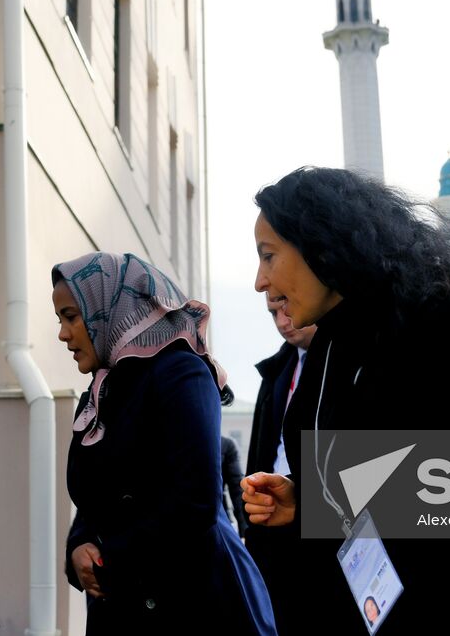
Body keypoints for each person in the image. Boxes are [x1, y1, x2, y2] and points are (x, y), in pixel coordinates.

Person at [239, 167, 450, 634]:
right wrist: (303, 500)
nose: (261, 282)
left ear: (320, 244)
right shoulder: (330, 349)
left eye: (269, 256)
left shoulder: (435, 341)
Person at [54, 252, 275, 635]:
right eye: (60, 319)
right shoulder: (99, 392)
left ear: (107, 307)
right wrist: (79, 547)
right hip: (122, 605)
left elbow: (194, 502)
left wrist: (110, 558)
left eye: (71, 316)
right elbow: (94, 497)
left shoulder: (181, 371)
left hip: (190, 605)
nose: (62, 333)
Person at [244, 297, 317, 634]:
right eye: (272, 312)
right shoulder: (276, 371)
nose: (282, 321)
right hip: (277, 527)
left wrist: (309, 501)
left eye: (286, 304)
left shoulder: (363, 358)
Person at [222, 435, 250, 536]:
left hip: (220, 519)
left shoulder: (226, 444)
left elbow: (237, 490)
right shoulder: (226, 444)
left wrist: (245, 530)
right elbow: (237, 489)